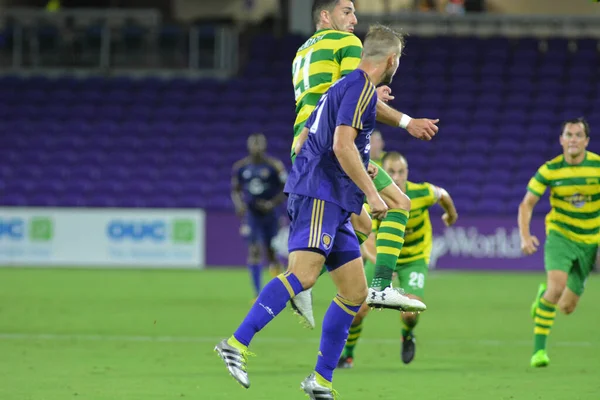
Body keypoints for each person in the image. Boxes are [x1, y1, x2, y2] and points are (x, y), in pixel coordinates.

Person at [216, 24, 409, 399]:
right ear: (391, 60)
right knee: (302, 275)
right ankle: (235, 344)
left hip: (333, 198)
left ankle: (321, 379)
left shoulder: (349, 88)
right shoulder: (357, 89)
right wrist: (374, 193)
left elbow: (311, 137)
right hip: (320, 193)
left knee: (355, 293)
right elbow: (341, 145)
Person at [289, 0, 438, 327]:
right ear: (325, 16)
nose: (354, 19)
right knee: (398, 201)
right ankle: (376, 286)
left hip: (305, 144)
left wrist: (371, 95)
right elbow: (351, 97)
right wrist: (406, 121)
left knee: (364, 225)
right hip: (329, 147)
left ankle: (302, 278)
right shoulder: (344, 42)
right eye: (347, 11)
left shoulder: (302, 52)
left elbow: (336, 95)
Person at [337, 152, 458, 368]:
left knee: (411, 313)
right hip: (381, 257)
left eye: (401, 172)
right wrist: (385, 267)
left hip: (414, 259)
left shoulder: (420, 192)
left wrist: (451, 214)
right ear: (383, 173)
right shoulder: (373, 198)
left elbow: (443, 195)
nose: (397, 176)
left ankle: (407, 334)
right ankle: (348, 355)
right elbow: (369, 240)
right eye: (391, 172)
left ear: (407, 173)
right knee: (358, 309)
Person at [518, 117, 599, 368]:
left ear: (586, 140)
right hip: (560, 236)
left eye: (578, 135)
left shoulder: (597, 167)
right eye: (569, 135)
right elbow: (526, 204)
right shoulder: (550, 170)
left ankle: (543, 298)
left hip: (589, 242)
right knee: (556, 288)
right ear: (561, 140)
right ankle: (539, 352)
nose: (573, 139)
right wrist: (525, 235)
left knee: (566, 307)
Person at [231, 133, 286, 298]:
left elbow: (286, 189)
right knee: (254, 250)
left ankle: (279, 290)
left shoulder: (274, 166)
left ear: (264, 146)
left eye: (259, 144)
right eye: (253, 144)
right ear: (248, 146)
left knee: (271, 252)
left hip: (271, 214)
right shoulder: (241, 167)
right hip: (253, 215)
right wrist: (239, 205)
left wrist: (271, 204)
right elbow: (235, 190)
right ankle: (257, 293)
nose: (256, 148)